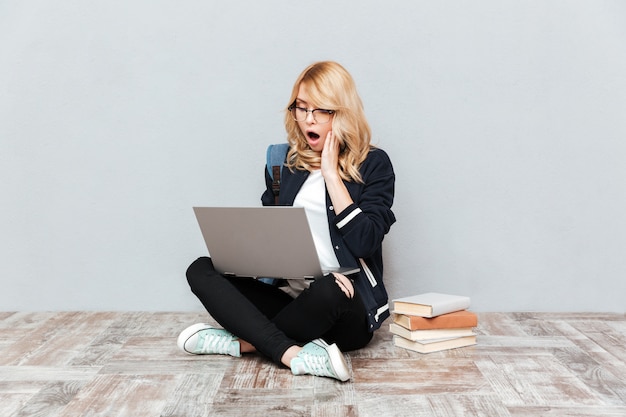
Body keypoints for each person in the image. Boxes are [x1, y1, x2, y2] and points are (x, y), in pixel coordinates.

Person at [178, 61, 396, 382]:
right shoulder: (283, 163)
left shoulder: (374, 164)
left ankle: (245, 344)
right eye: (301, 108)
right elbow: (273, 238)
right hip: (292, 303)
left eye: (321, 110)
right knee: (200, 268)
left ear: (342, 112)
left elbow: (366, 240)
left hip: (345, 307)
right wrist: (247, 253)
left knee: (328, 290)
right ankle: (293, 354)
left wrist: (332, 176)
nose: (308, 119)